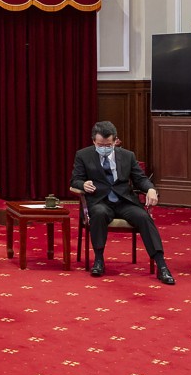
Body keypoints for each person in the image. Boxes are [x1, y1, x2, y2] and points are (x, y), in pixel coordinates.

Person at [70, 120, 175, 285]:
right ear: (93, 142)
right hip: (100, 201)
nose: (104, 148)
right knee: (98, 213)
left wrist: (151, 189)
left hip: (124, 202)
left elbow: (140, 179)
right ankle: (98, 260)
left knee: (143, 217)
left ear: (115, 141)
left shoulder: (127, 156)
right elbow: (75, 180)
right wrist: (83, 184)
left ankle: (161, 265)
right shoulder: (83, 155)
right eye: (100, 145)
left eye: (108, 145)